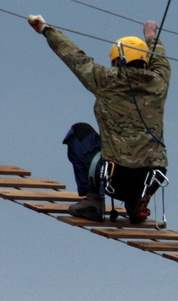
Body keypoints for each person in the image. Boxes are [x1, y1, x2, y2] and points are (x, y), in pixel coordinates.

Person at [27, 14, 170, 224]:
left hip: (115, 177)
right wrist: (151, 35)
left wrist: (46, 29)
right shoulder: (159, 83)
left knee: (79, 132)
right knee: (144, 160)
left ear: (117, 60)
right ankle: (136, 203)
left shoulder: (106, 80)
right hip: (151, 179)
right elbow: (161, 60)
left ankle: (93, 201)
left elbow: (74, 57)